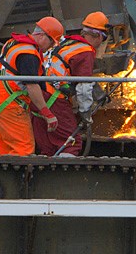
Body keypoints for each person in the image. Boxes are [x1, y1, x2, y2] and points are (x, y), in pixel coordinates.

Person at [0, 16, 64, 155]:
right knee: (23, 149)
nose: (51, 47)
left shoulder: (13, 43)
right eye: (52, 43)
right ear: (42, 36)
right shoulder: (29, 54)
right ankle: (19, 176)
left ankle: (3, 176)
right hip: (8, 102)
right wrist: (47, 114)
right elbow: (32, 86)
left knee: (3, 151)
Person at [32, 11, 110, 157]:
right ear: (99, 36)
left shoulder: (67, 43)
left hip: (38, 98)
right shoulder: (85, 50)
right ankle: (64, 177)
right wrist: (85, 113)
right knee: (71, 143)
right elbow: (84, 85)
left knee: (48, 147)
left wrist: (99, 94)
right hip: (55, 101)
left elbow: (82, 77)